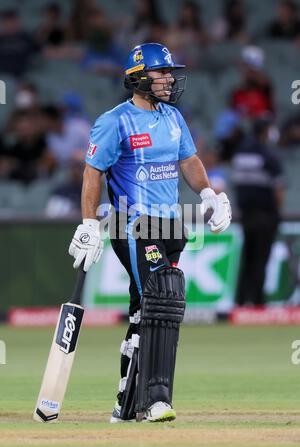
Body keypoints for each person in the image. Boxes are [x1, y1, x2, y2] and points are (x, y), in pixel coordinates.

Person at [68, 42, 232, 423]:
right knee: (162, 299)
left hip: (170, 224)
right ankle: (155, 400)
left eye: (170, 73)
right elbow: (92, 172)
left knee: (150, 310)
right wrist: (90, 222)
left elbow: (188, 159)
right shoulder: (115, 121)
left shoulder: (173, 117)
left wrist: (208, 193)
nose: (169, 79)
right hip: (134, 225)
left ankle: (125, 404)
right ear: (139, 78)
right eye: (162, 73)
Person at [232, 115, 284, 305]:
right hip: (265, 214)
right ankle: (258, 301)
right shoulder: (267, 155)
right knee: (261, 258)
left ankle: (240, 300)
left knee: (248, 257)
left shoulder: (240, 153)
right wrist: (277, 211)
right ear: (265, 132)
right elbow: (279, 190)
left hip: (247, 214)